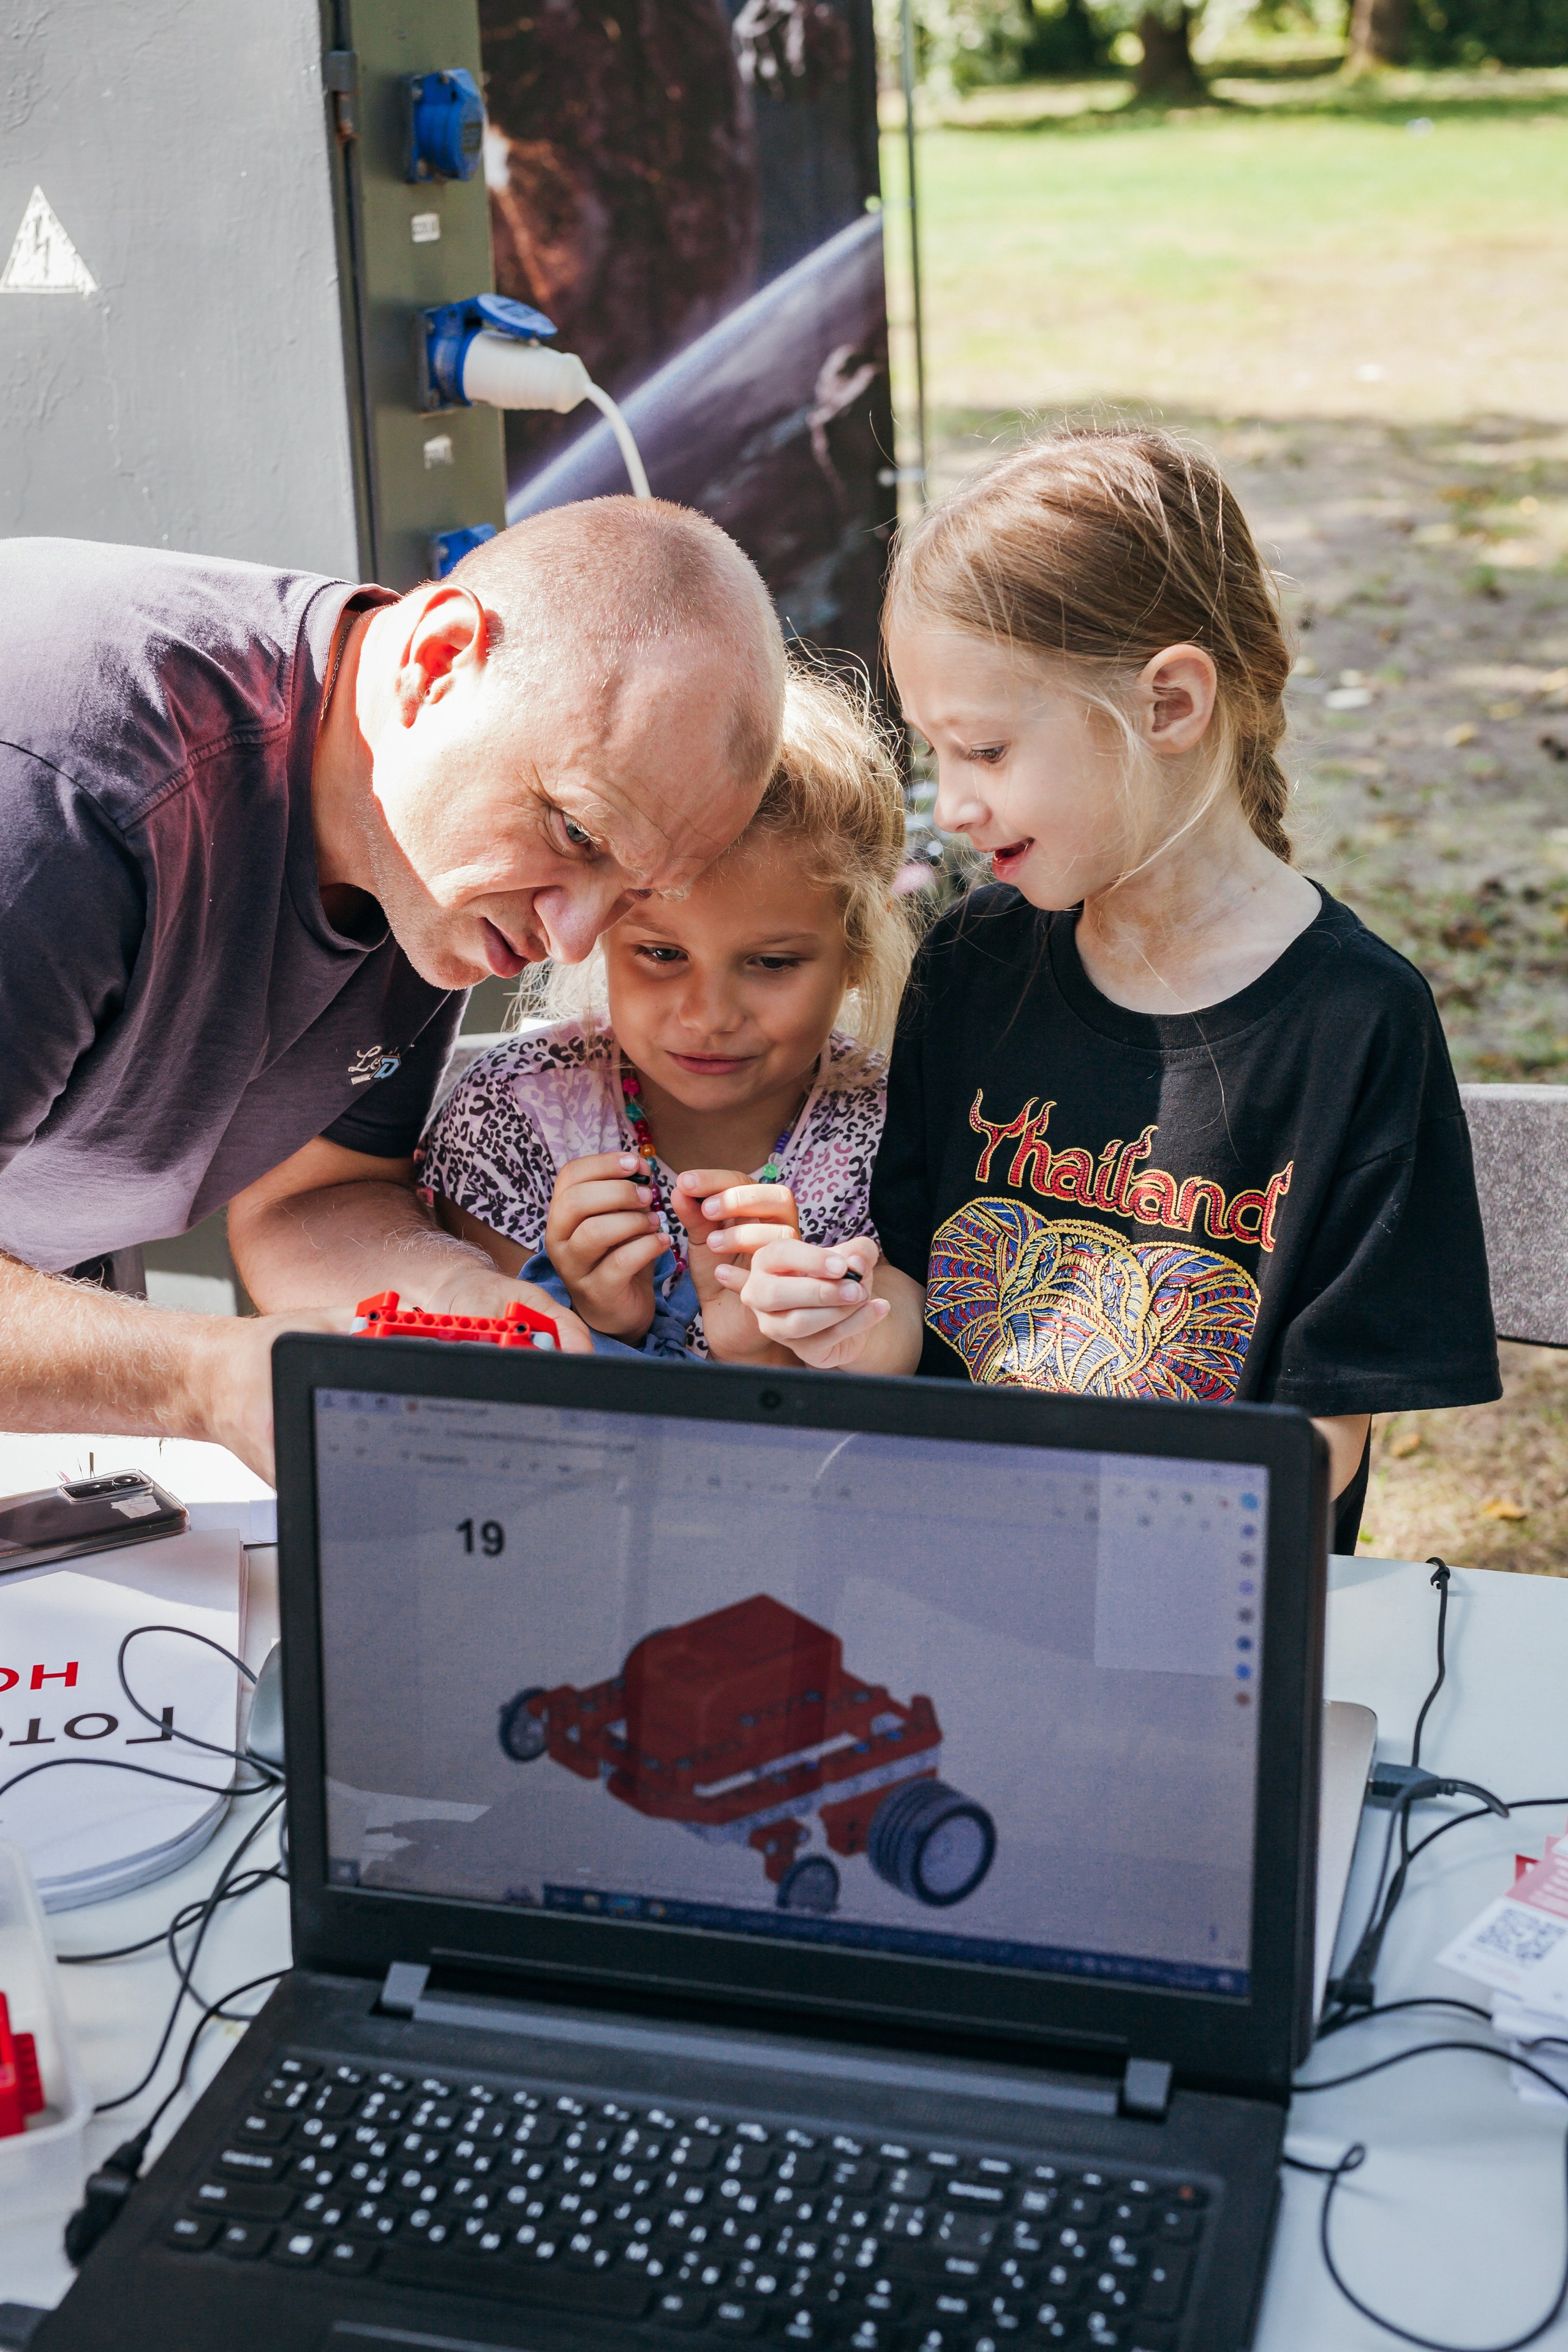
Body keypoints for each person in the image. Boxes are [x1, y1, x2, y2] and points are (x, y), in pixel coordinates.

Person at [722, 428, 1499, 1551]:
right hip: (949, 1581)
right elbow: (914, 1303)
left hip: (1196, 1622)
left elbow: (1323, 1441)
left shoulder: (1355, 1025)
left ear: (1169, 706)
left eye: (984, 751)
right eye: (938, 754)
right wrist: (846, 1324)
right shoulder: (975, 958)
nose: (950, 807)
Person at [0, 500, 785, 1479]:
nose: (570, 935)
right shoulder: (62, 794)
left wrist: (478, 1312)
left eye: (635, 894)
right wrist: (203, 1378)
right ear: (439, 662)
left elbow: (314, 1191)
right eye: (577, 833)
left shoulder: (426, 847)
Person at [415, 665, 912, 1363]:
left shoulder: (901, 1131)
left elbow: (904, 1356)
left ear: (856, 949)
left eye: (771, 963)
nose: (709, 1016)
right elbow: (483, 1395)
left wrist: (783, 1349)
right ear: (600, 924)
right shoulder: (510, 1119)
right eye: (660, 953)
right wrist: (593, 1317)